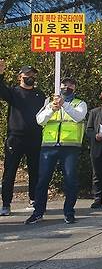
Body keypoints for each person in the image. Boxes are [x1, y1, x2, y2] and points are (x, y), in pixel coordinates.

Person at [26, 78, 87, 224]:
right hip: (49, 146)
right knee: (42, 181)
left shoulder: (80, 103)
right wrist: (51, 109)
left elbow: (79, 117)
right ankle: (38, 212)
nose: (67, 87)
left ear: (75, 87)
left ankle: (69, 212)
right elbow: (39, 120)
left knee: (70, 180)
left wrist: (64, 104)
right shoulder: (48, 103)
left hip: (70, 147)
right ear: (59, 87)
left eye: (70, 85)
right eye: (64, 85)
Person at [0, 60, 46, 216]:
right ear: (20, 76)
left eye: (32, 75)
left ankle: (33, 200)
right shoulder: (13, 92)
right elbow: (1, 90)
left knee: (35, 171)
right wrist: (0, 74)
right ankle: (6, 204)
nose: (30, 77)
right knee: (10, 171)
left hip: (35, 137)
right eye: (27, 74)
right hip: (15, 138)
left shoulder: (40, 94)